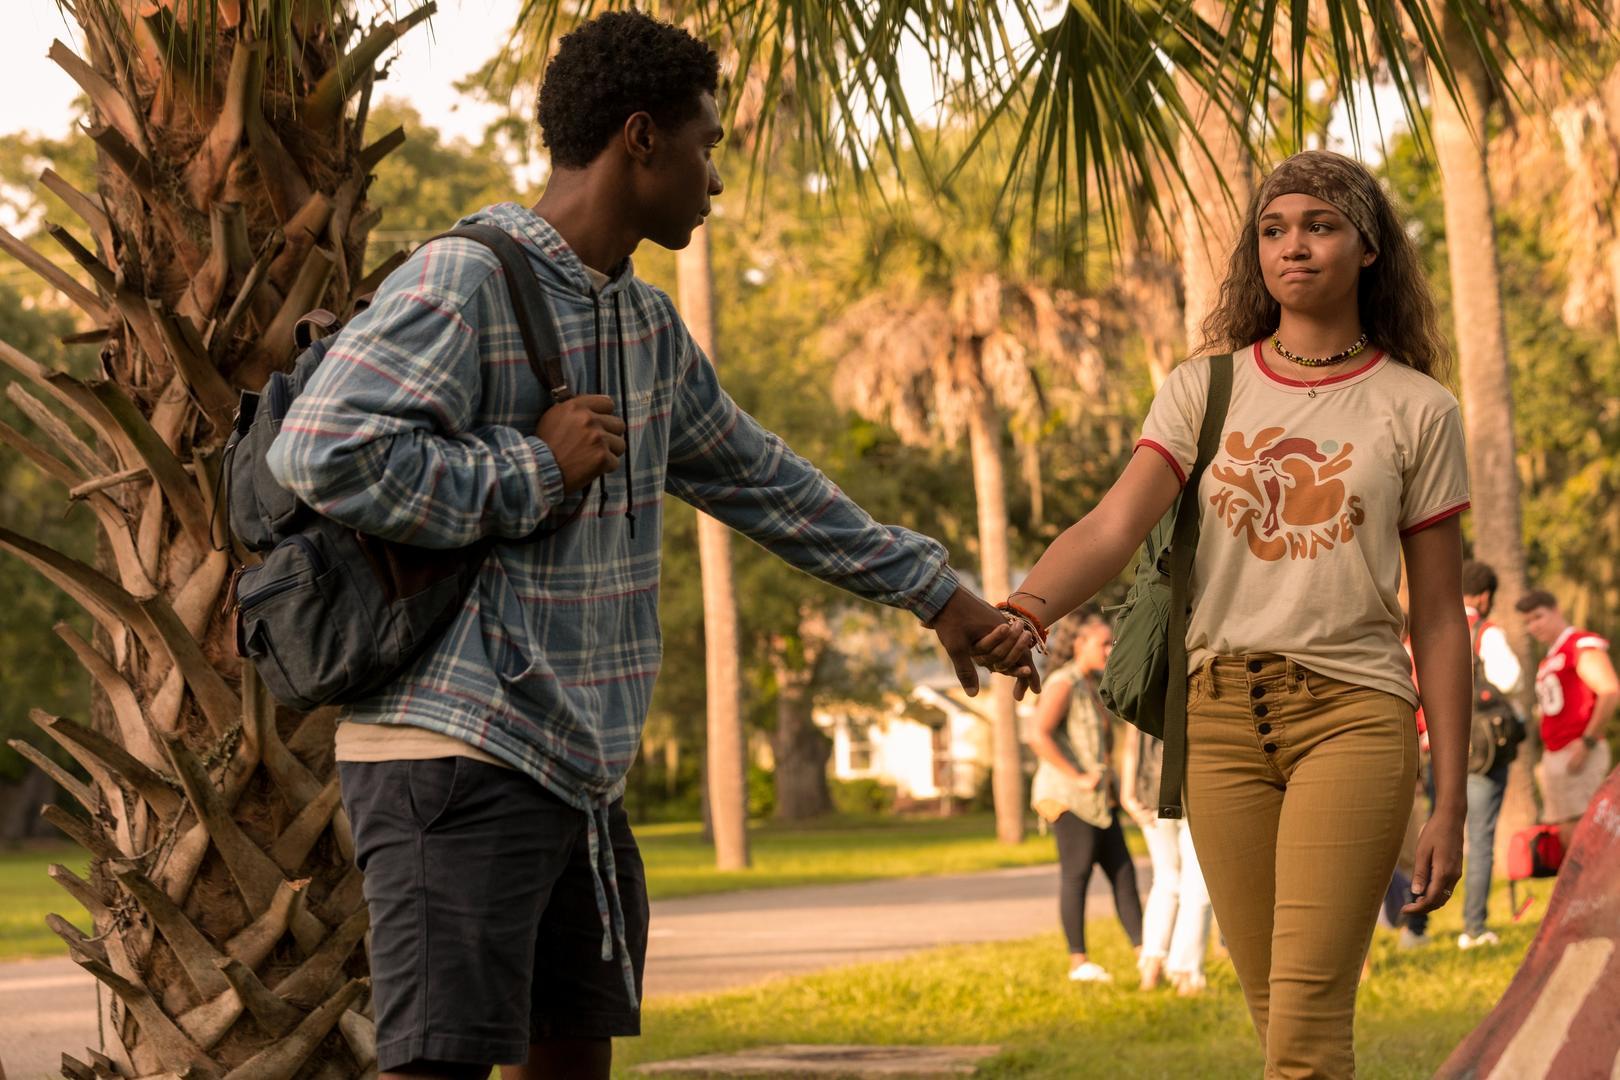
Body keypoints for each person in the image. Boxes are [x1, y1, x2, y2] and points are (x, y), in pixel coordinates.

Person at [267, 13, 1031, 1080]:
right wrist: (531, 470)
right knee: (436, 1067)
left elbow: (764, 481)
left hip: (577, 770)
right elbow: (323, 450)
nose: (714, 177)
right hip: (455, 752)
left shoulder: (645, 325)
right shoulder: (465, 279)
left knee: (575, 1061)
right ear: (640, 138)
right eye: (705, 145)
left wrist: (934, 591)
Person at [978, 150, 1472, 1078]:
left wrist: (1448, 800)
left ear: (1368, 248)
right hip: (1217, 725)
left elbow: (1439, 620)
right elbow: (1113, 524)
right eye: (1275, 228)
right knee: (1277, 1013)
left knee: (1308, 1030)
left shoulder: (1417, 408)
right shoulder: (1203, 389)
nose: (1294, 246)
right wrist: (1027, 611)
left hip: (1353, 715)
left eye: (1320, 225)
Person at [1028, 611, 1144, 983]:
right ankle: (1079, 963)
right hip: (1067, 797)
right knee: (1076, 874)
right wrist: (1077, 776)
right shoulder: (1064, 683)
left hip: (1100, 800)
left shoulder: (1094, 685)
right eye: (1104, 643)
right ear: (1079, 644)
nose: (1111, 650)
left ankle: (1147, 954)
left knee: (1124, 874)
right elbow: (1038, 735)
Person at [1118, 704, 1212, 993]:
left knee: (1166, 880)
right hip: (1192, 791)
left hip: (1150, 792)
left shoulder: (1147, 670)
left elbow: (1132, 740)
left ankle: (1151, 965)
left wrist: (1127, 795)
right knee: (1198, 887)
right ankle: (1186, 973)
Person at [1518, 589, 1619, 850]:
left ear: (1556, 610)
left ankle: (1597, 892)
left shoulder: (1579, 644)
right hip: (1557, 753)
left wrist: (1587, 742)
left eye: (1538, 617)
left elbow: (1609, 691)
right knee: (1566, 834)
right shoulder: (1551, 656)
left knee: (1587, 835)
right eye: (1527, 622)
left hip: (1578, 751)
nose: (1533, 626)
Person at [1456, 559, 1523, 950]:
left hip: (1434, 745)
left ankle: (1416, 931)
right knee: (1478, 838)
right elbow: (1510, 678)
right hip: (1479, 751)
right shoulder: (1484, 631)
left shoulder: (1430, 626)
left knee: (1434, 829)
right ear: (1483, 596)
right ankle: (1474, 929)